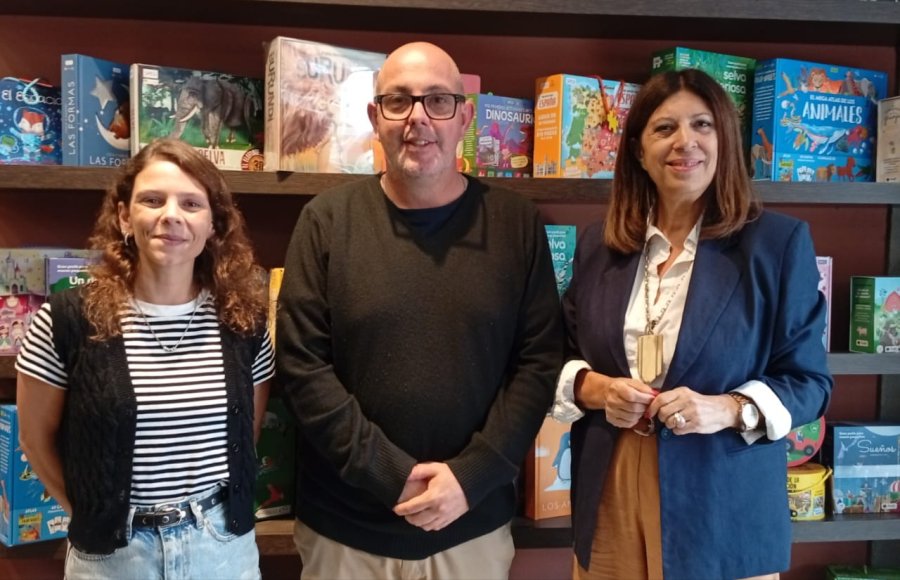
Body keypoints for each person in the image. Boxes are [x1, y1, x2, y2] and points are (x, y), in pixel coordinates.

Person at [276, 41, 563, 579]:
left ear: (464, 118)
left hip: (471, 526)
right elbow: (301, 367)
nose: (418, 119)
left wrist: (471, 477)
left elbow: (539, 364)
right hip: (345, 532)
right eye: (398, 102)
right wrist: (390, 474)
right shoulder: (326, 221)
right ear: (374, 117)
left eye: (438, 101)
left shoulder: (516, 225)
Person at [551, 69, 833, 580]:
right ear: (638, 151)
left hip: (721, 500)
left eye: (702, 125)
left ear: (723, 138)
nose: (686, 142)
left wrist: (726, 408)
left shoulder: (776, 244)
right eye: (664, 129)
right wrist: (597, 390)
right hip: (612, 487)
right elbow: (557, 357)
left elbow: (809, 382)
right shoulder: (600, 246)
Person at [15, 138, 274, 580]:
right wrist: (95, 515)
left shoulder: (244, 325)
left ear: (213, 225)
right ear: (123, 217)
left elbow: (244, 434)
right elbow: (36, 442)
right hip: (114, 556)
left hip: (222, 549)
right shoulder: (66, 321)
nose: (171, 215)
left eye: (191, 203)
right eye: (152, 200)